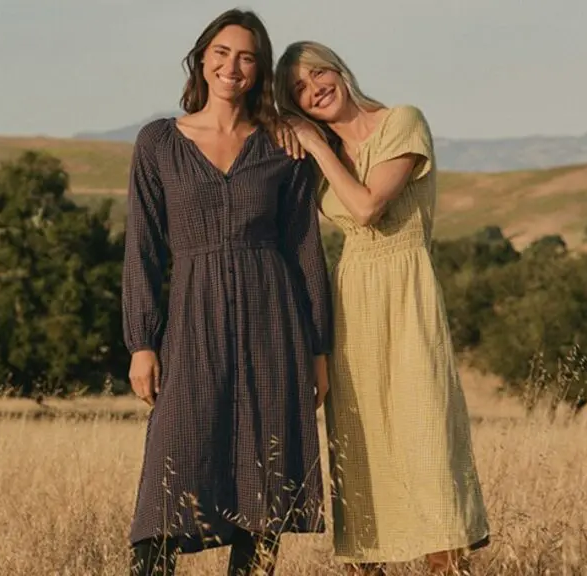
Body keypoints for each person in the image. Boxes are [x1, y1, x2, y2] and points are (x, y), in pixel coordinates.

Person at [121, 10, 332, 576]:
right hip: (192, 322)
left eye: (246, 56)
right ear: (202, 58)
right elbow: (142, 247)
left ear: (259, 69)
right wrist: (142, 342)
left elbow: (305, 247)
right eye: (221, 52)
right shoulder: (159, 142)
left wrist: (319, 350)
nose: (231, 66)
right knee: (170, 482)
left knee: (263, 493)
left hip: (274, 320)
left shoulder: (280, 147)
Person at [272, 41, 491, 575]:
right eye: (298, 88)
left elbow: (368, 206)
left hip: (407, 290)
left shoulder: (402, 122)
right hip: (351, 299)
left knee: (429, 447)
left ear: (339, 70)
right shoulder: (311, 152)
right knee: (360, 450)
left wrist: (315, 145)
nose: (315, 87)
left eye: (318, 72)